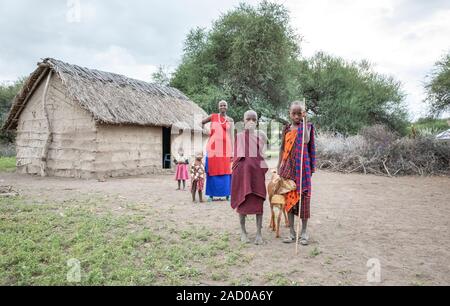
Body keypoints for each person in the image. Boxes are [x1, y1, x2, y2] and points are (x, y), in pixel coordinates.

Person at [277, 101, 316, 246]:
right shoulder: (286, 129)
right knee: (289, 199)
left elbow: (305, 140)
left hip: (302, 168)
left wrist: (305, 121)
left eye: (300, 113)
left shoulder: (307, 127)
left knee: (303, 199)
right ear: (289, 113)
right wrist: (279, 165)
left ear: (303, 113)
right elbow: (282, 148)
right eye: (294, 113)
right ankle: (291, 232)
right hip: (288, 167)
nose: (296, 116)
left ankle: (304, 232)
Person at [231, 110, 268, 245]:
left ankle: (259, 233)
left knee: (259, 202)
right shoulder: (239, 136)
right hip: (243, 175)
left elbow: (262, 155)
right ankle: (243, 231)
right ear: (243, 120)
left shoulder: (261, 137)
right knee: (242, 202)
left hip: (257, 175)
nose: (251, 122)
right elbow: (236, 156)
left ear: (257, 122)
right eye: (248, 119)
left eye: (254, 119)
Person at [202, 100, 234, 202]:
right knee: (212, 169)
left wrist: (232, 151)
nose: (223, 107)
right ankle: (211, 195)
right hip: (213, 149)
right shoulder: (213, 116)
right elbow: (201, 122)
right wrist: (208, 132)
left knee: (226, 170)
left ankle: (227, 194)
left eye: (224, 105)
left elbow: (231, 136)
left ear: (227, 107)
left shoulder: (230, 120)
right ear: (218, 107)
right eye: (221, 105)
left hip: (226, 149)